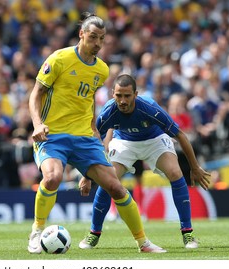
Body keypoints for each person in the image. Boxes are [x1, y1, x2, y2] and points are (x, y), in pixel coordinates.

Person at [27, 12, 165, 254]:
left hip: (83, 137)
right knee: (52, 178)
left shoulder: (101, 69)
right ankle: (37, 231)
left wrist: (93, 128)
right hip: (53, 135)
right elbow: (36, 94)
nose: (98, 43)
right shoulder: (59, 59)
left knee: (116, 186)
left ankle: (143, 242)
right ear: (81, 34)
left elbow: (88, 98)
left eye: (102, 38)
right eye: (93, 37)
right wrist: (38, 124)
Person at [78, 73, 211, 250]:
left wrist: (195, 167)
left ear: (136, 94)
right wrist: (87, 175)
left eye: (127, 95)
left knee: (175, 173)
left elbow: (180, 135)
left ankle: (188, 233)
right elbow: (91, 141)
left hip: (154, 140)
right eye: (119, 95)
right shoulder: (108, 112)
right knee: (107, 180)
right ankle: (94, 234)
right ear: (112, 94)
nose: (123, 100)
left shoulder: (150, 108)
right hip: (124, 142)